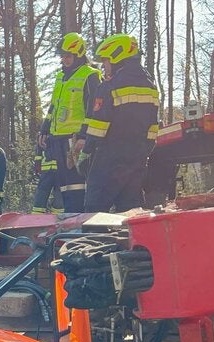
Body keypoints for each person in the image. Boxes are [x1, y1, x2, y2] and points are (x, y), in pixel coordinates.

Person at [73, 34, 159, 212]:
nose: (104, 66)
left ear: (117, 57)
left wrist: (86, 153)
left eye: (105, 61)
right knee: (131, 210)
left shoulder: (109, 86)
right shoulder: (150, 86)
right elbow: (153, 126)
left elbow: (98, 126)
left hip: (110, 158)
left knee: (95, 210)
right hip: (137, 157)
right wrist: (144, 151)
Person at [39, 33, 102, 212]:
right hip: (57, 138)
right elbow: (54, 105)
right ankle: (69, 216)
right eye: (62, 56)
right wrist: (44, 129)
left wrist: (84, 136)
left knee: (77, 184)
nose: (64, 59)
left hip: (75, 139)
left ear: (78, 54)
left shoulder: (90, 75)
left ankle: (78, 217)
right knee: (64, 184)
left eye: (68, 56)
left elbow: (93, 108)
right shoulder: (61, 77)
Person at [31, 142, 62, 213]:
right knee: (41, 195)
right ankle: (36, 217)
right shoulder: (43, 136)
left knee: (59, 197)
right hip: (47, 170)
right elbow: (39, 149)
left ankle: (57, 217)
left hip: (60, 169)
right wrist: (37, 162)